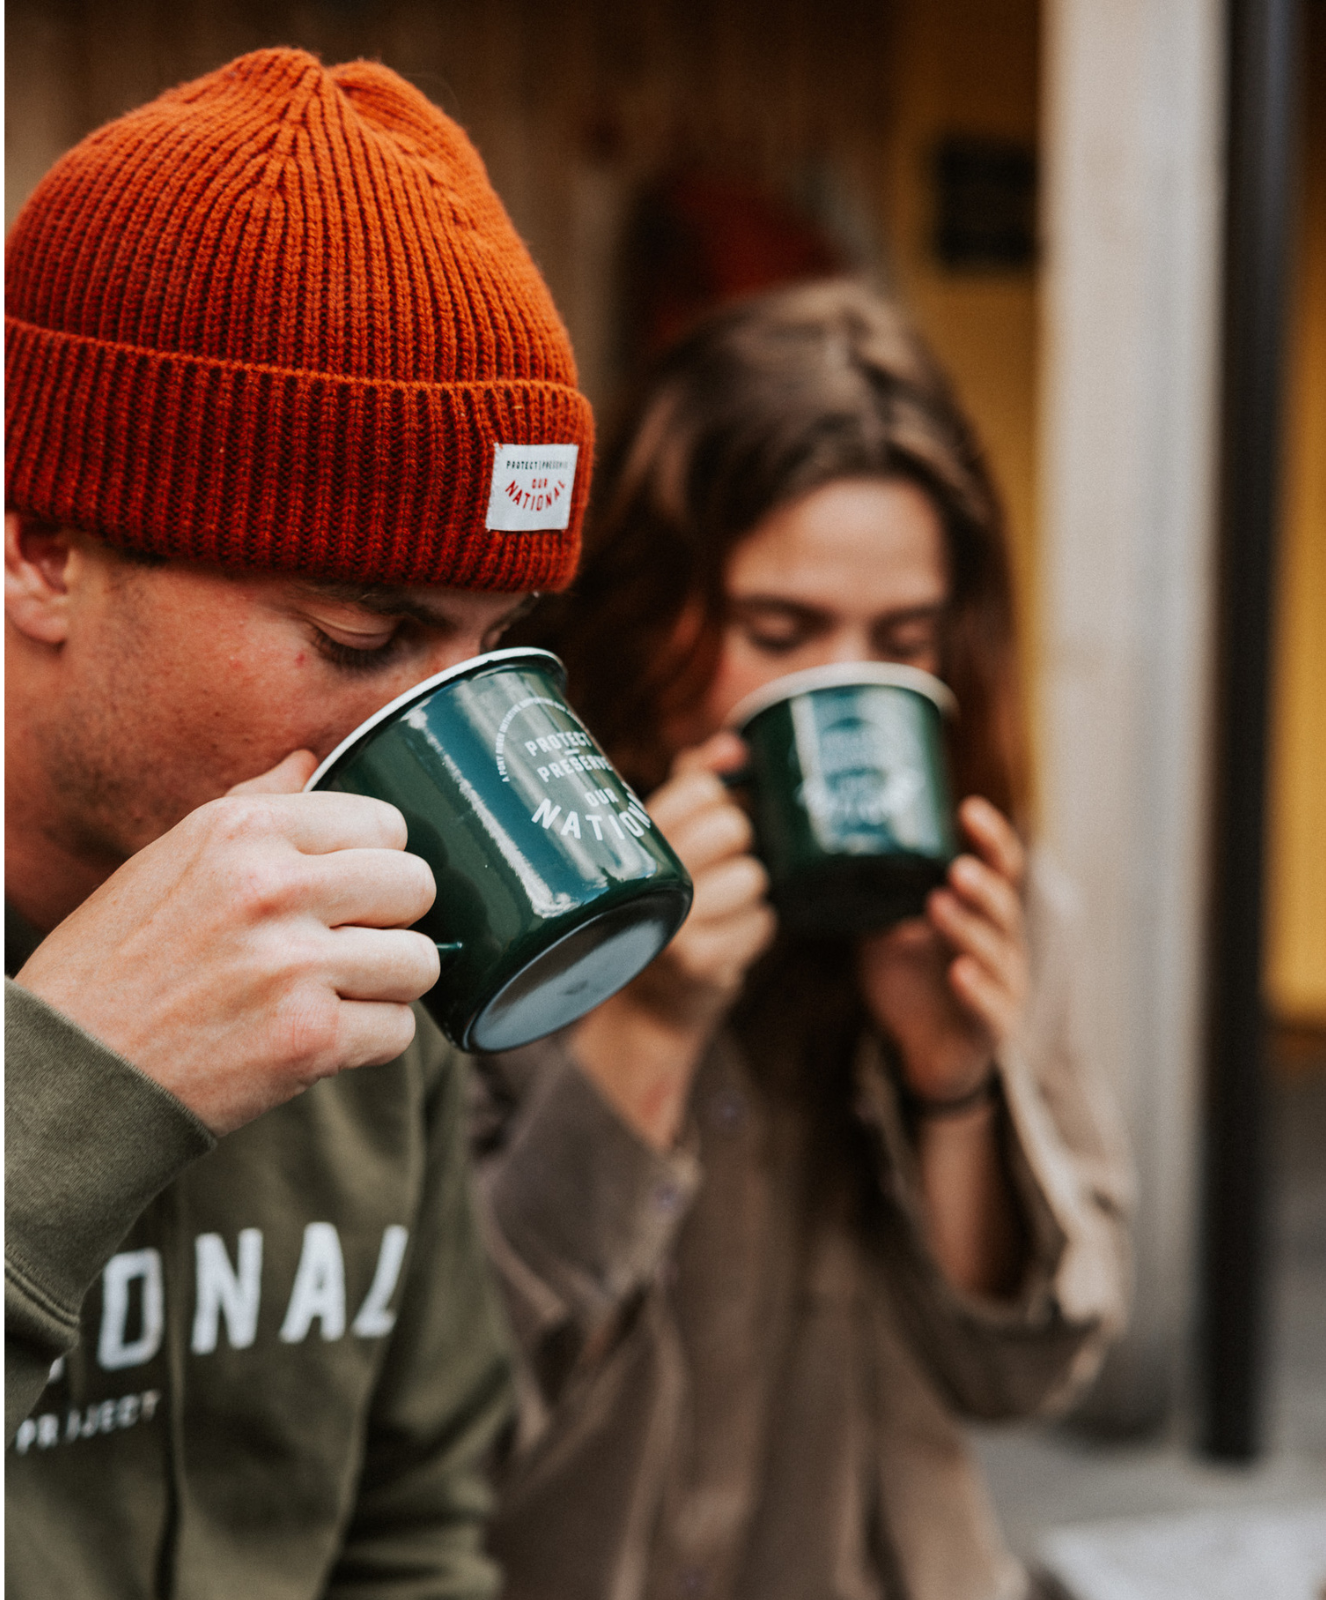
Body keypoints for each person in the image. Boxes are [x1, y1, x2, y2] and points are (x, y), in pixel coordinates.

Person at [4, 48, 594, 1597]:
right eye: (363, 637)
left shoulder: (358, 955)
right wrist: (66, 1089)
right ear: (44, 546)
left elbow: (409, 1527)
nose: (432, 740)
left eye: (487, 648)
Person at [474, 281, 1133, 1600]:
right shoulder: (496, 885)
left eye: (900, 641)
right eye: (778, 634)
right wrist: (640, 1028)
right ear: (658, 610)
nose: (837, 686)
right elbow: (443, 1404)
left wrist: (954, 1078)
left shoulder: (991, 904)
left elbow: (1020, 1373)